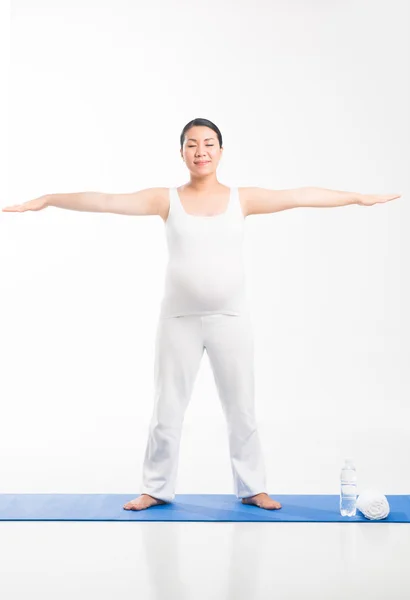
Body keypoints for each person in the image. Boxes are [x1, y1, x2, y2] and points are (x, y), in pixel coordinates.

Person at [3, 118, 401, 511]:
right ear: (181, 153)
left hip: (230, 318)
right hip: (179, 321)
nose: (201, 151)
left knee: (241, 407)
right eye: (192, 145)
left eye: (209, 143)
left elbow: (298, 195)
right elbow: (106, 201)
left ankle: (253, 488)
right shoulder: (166, 199)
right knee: (167, 409)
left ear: (221, 151)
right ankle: (156, 488)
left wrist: (356, 197)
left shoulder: (242, 198)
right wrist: (49, 198)